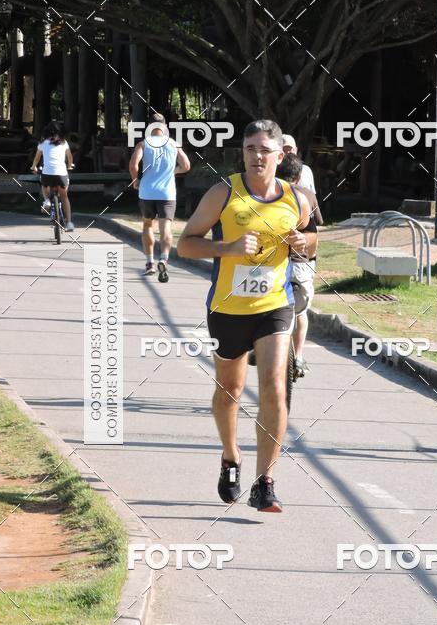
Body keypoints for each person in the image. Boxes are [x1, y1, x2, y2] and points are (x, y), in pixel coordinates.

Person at [177, 119, 310, 512]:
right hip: (228, 308)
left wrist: (303, 242)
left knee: (275, 387)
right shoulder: (223, 193)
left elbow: (311, 239)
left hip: (275, 306)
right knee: (229, 392)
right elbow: (185, 245)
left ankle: (265, 482)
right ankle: (230, 455)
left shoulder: (297, 199)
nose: (257, 157)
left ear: (281, 155)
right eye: (250, 149)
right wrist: (228, 248)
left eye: (265, 150)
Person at [276, 152, 323, 377]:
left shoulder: (268, 194)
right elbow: (316, 230)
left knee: (265, 309)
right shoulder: (308, 195)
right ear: (298, 176)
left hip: (275, 263)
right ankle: (299, 356)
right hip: (302, 263)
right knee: (301, 312)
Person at [129, 113, 190, 282]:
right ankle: (164, 258)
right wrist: (174, 171)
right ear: (165, 126)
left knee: (147, 225)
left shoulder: (143, 143)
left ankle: (150, 263)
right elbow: (186, 165)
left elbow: (133, 164)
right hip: (167, 193)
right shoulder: (173, 144)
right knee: (166, 228)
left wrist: (135, 180)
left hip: (147, 192)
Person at [30, 120, 75, 231]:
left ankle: (47, 200)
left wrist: (34, 167)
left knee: (43, 184)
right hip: (61, 174)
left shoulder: (42, 143)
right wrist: (70, 165)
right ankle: (69, 223)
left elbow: (37, 158)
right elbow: (70, 157)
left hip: (47, 174)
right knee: (64, 197)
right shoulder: (64, 143)